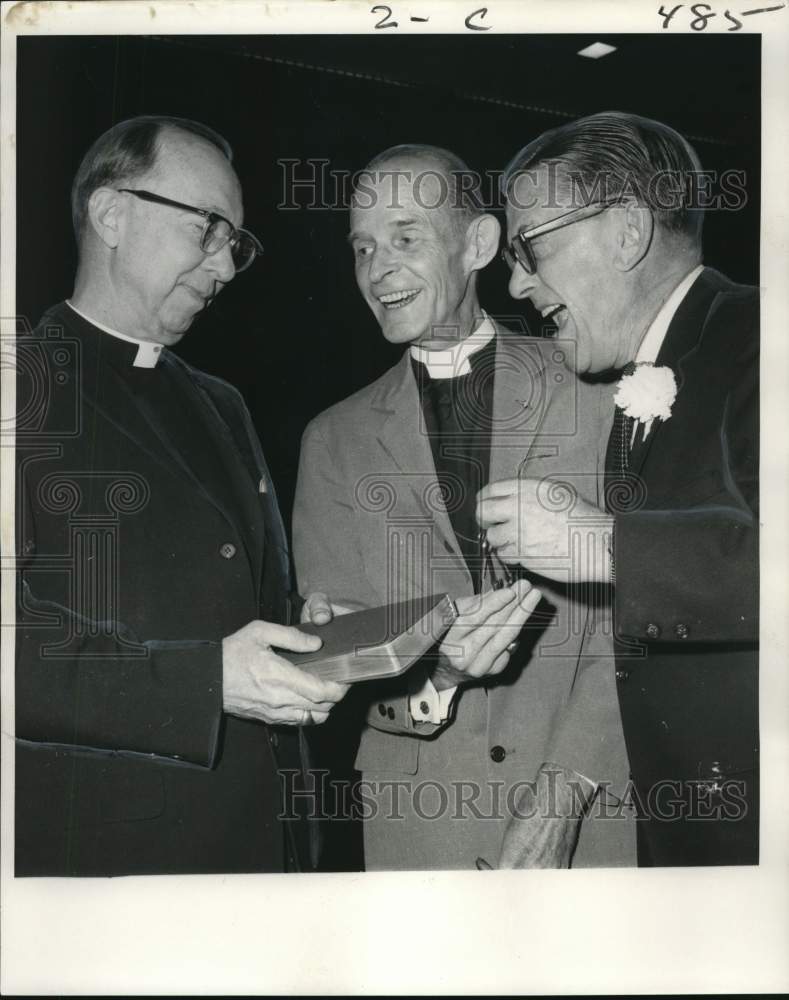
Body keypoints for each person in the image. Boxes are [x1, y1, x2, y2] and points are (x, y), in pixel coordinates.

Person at [14, 115, 347, 876]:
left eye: (236, 243)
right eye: (208, 229)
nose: (226, 266)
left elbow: (229, 608)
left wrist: (307, 632)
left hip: (267, 844)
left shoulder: (220, 401)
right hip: (111, 864)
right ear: (111, 215)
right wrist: (205, 682)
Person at [293, 144, 634, 870]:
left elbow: (642, 612)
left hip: (590, 803)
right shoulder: (332, 440)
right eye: (361, 247)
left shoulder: (596, 390)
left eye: (405, 237)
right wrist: (434, 679)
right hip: (421, 826)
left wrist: (564, 789)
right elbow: (334, 665)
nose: (377, 267)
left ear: (477, 243)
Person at [479, 111, 758, 866]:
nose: (514, 281)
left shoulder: (763, 335)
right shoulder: (648, 377)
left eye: (530, 246)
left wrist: (601, 543)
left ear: (627, 231)